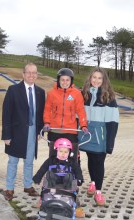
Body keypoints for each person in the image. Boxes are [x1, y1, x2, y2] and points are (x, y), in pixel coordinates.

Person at [1, 62, 46, 201]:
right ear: (23, 74)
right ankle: (9, 188)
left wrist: (40, 131)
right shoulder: (13, 90)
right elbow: (6, 113)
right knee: (13, 162)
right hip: (16, 132)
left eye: (34, 72)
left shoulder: (40, 92)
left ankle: (28, 185)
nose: (32, 75)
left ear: (36, 75)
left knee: (29, 161)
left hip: (33, 132)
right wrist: (6, 135)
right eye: (29, 72)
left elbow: (41, 115)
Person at [78, 67, 119, 206]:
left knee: (99, 162)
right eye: (94, 77)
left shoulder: (109, 97)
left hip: (101, 137)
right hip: (87, 136)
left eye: (99, 78)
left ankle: (99, 192)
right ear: (90, 78)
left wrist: (110, 143)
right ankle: (93, 183)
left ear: (104, 80)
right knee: (90, 159)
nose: (96, 80)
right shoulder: (83, 94)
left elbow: (113, 122)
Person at [43, 68, 88, 146]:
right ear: (58, 80)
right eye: (62, 80)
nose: (65, 82)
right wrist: (47, 123)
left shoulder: (76, 94)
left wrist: (83, 125)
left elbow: (80, 110)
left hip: (70, 131)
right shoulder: (51, 93)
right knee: (54, 155)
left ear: (71, 81)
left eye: (67, 80)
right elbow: (47, 109)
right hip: (54, 130)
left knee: (70, 155)